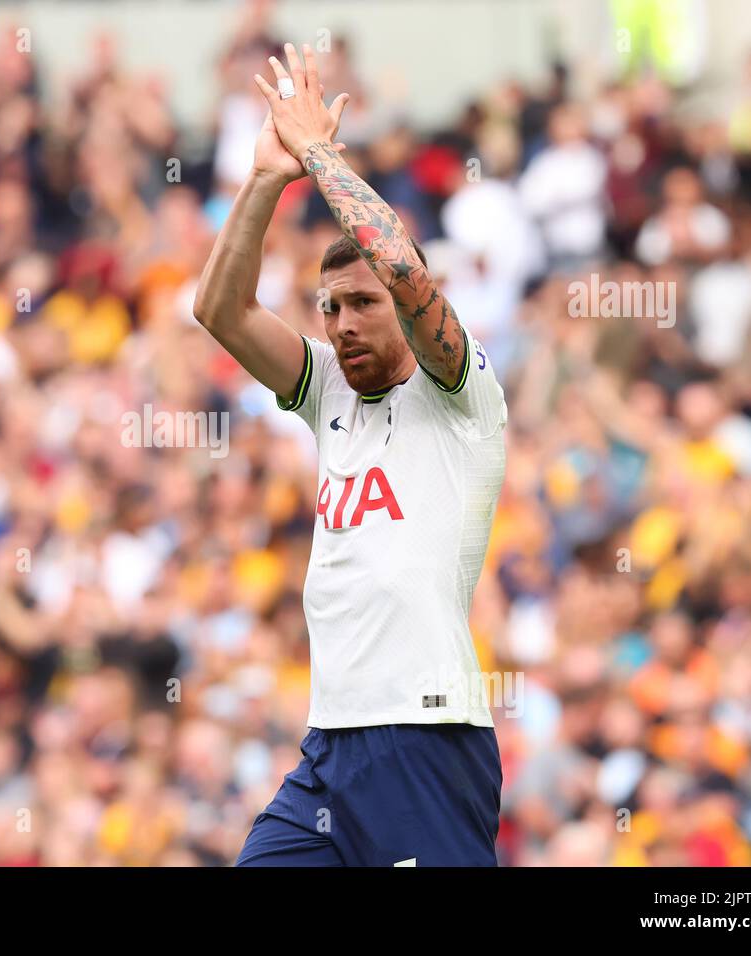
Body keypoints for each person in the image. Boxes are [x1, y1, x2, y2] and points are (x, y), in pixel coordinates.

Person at [193, 42, 507, 866]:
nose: (341, 324)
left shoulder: (459, 391)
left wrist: (321, 152)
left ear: (406, 309)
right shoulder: (329, 389)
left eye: (362, 303)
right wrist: (267, 177)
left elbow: (400, 262)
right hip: (331, 745)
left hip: (426, 734)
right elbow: (219, 309)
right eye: (329, 307)